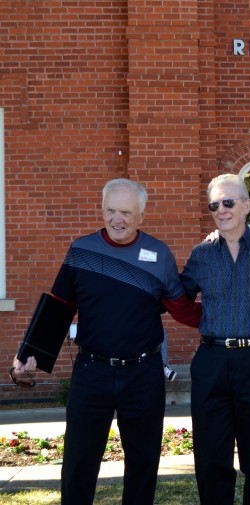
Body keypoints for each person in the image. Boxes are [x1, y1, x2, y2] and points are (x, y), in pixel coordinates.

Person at [12, 178, 201, 505]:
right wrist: (30, 354)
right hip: (92, 372)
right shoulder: (81, 251)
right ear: (102, 210)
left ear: (141, 215)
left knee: (143, 464)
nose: (117, 219)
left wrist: (227, 317)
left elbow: (181, 308)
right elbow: (59, 306)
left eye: (126, 212)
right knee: (78, 463)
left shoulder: (159, 255)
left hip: (144, 374)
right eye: (110, 210)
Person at [180, 173, 250, 505]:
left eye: (228, 202)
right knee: (211, 455)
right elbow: (177, 299)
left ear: (246, 205)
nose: (221, 210)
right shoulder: (201, 254)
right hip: (212, 361)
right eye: (215, 204)